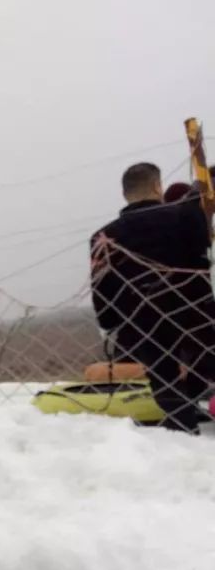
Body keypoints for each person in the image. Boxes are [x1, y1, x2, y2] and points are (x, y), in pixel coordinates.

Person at [90, 162, 215, 433]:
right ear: (158, 186)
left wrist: (110, 323)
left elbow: (102, 288)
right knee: (205, 361)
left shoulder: (103, 236)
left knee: (163, 376)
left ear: (126, 193)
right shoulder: (185, 217)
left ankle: (182, 426)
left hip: (141, 322)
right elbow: (201, 264)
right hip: (193, 312)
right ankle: (186, 413)